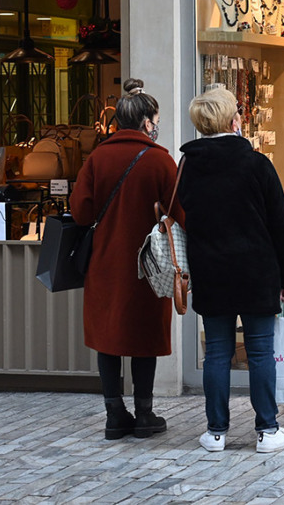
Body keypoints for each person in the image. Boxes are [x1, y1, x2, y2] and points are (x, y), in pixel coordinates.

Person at [178, 88, 284, 453]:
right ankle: (267, 429)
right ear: (235, 121)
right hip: (256, 269)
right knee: (261, 350)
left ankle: (216, 432)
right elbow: (280, 225)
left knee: (217, 351)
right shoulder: (256, 164)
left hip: (211, 268)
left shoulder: (187, 167)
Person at [71, 78, 180, 440]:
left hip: (105, 262)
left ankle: (114, 413)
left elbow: (81, 212)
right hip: (148, 266)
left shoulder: (97, 158)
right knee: (143, 334)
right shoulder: (160, 161)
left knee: (109, 336)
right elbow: (179, 212)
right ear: (147, 121)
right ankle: (145, 413)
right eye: (155, 118)